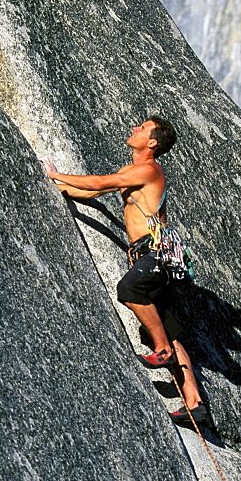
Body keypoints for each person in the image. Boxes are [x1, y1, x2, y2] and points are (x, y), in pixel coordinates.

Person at [44, 117, 207, 426]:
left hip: (154, 253)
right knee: (170, 330)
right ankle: (195, 403)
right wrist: (57, 185)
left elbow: (96, 183)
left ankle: (162, 351)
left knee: (130, 291)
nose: (135, 128)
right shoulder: (132, 173)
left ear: (153, 142)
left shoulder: (149, 170)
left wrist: (53, 173)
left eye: (142, 128)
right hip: (150, 257)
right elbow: (89, 193)